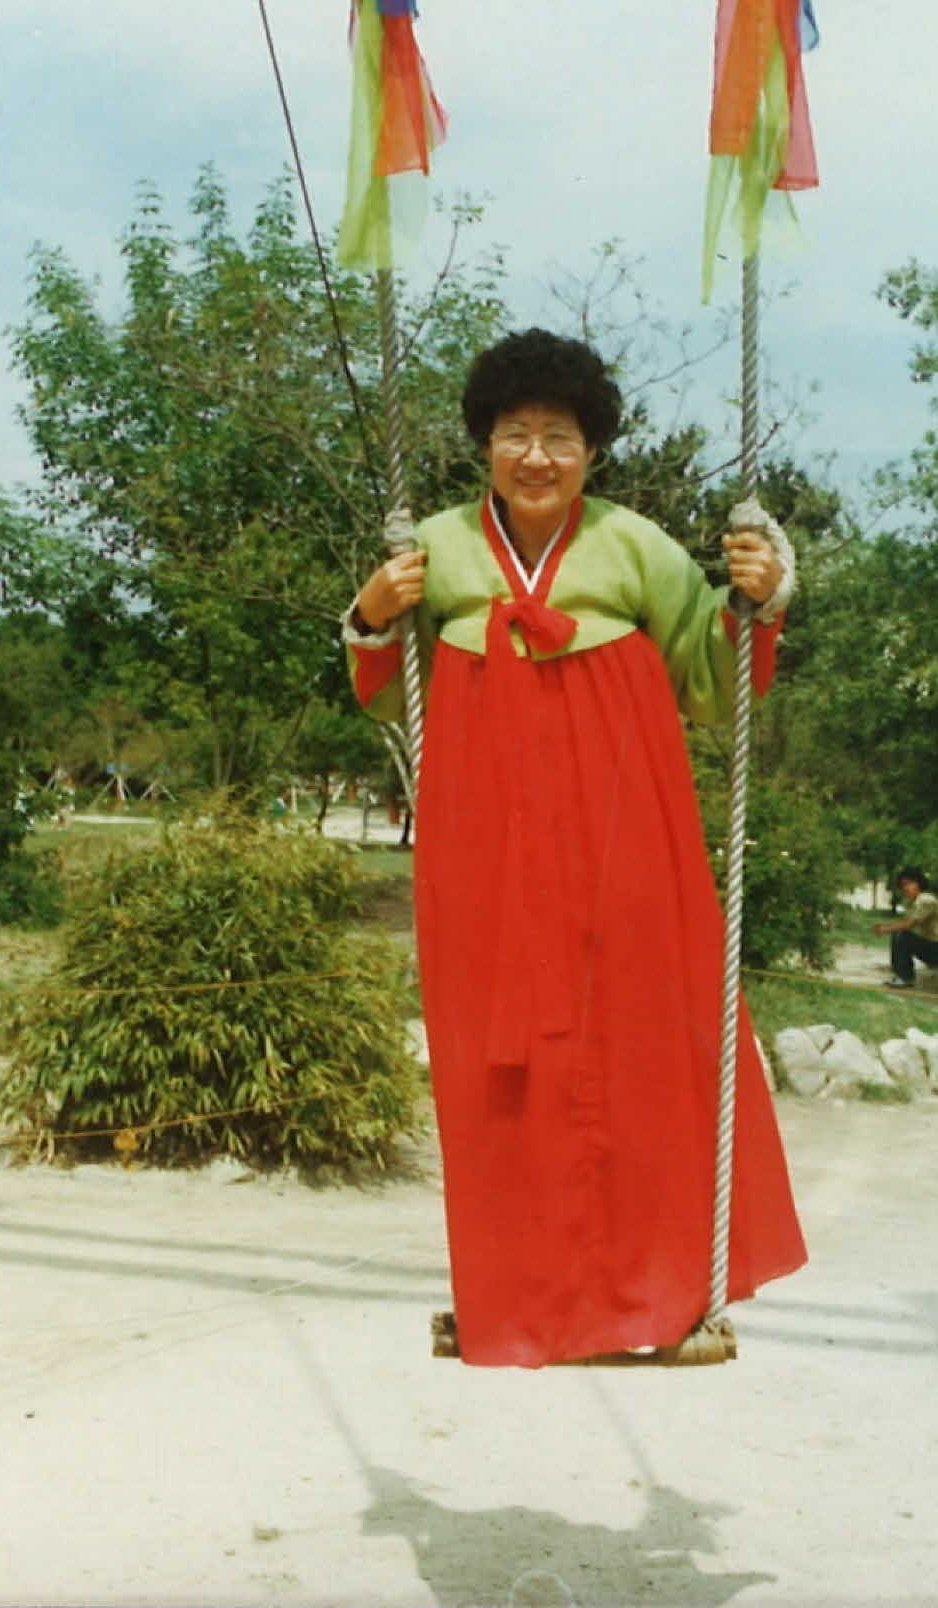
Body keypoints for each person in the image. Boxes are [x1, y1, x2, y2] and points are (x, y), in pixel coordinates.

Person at [344, 329, 805, 1367]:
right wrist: (371, 614)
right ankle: (514, 1296)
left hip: (620, 820)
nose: (536, 456)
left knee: (639, 1032)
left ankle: (658, 1294)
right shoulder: (437, 548)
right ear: (484, 443)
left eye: (559, 436)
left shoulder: (635, 545)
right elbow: (389, 684)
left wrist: (757, 595)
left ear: (592, 449)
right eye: (515, 433)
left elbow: (712, 678)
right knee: (492, 1049)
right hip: (486, 828)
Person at [872, 867, 938, 987]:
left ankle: (905, 977)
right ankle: (902, 975)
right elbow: (905, 922)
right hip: (933, 946)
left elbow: (909, 924)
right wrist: (886, 927)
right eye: (903, 885)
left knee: (901, 935)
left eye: (909, 884)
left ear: (919, 883)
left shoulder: (926, 899)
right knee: (900, 934)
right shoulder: (914, 902)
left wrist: (883, 929)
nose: (906, 888)